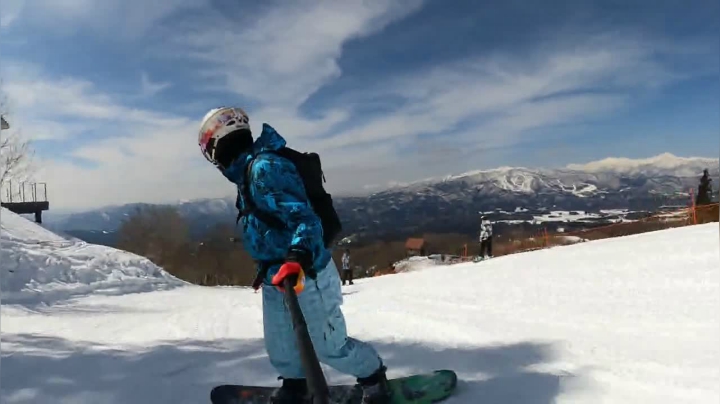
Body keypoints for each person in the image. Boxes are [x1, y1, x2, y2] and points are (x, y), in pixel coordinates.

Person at [197, 107, 391, 403]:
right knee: (282, 344)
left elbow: (305, 219)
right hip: (277, 274)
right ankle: (296, 386)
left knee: (329, 346)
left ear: (217, 145)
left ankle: (373, 378)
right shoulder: (246, 174)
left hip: (306, 272)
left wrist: (297, 256)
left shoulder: (264, 169)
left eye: (209, 151)